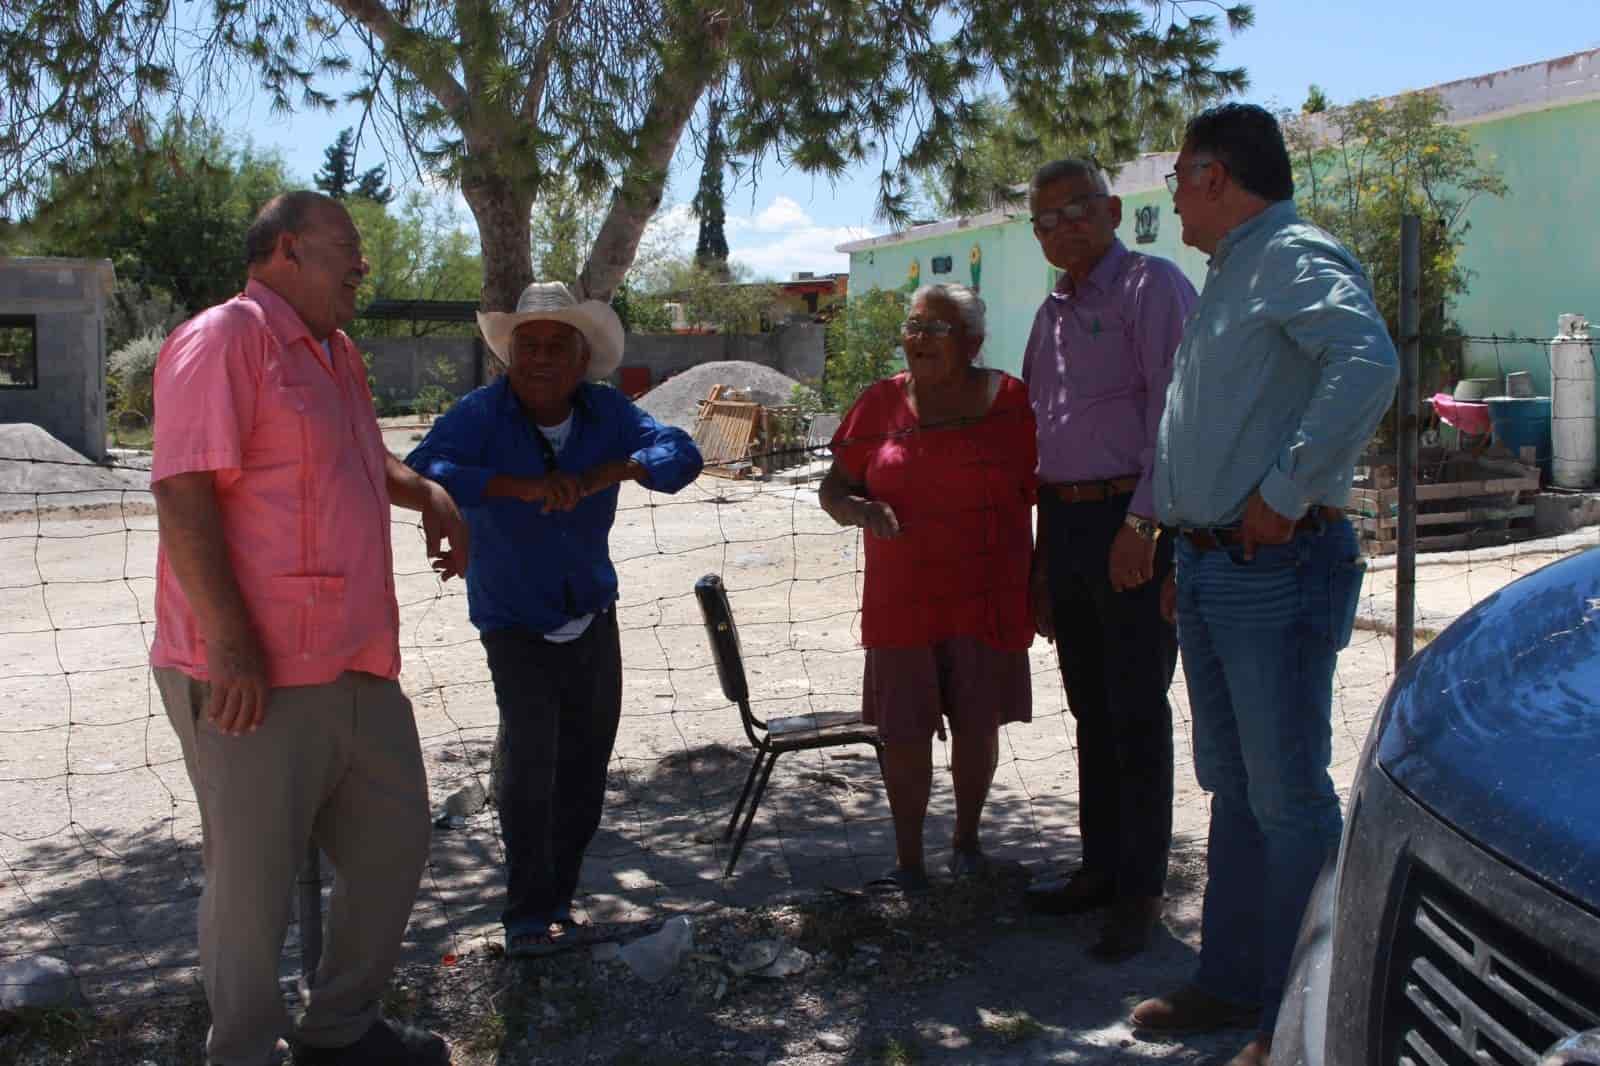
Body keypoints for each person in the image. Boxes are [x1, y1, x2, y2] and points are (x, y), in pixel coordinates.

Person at [149, 191, 468, 1066]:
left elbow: (362, 451)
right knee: (251, 890)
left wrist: (429, 493)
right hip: (254, 671)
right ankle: (244, 1052)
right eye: (346, 247)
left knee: (394, 847)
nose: (361, 264)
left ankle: (338, 1031)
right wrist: (232, 644)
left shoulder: (337, 354)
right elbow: (182, 490)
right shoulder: (222, 340)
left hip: (358, 659)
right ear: (286, 251)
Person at [1132, 104, 1398, 1066]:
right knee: (1236, 788)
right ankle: (1237, 988)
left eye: (1176, 177)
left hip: (1274, 566)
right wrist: (1184, 549)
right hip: (1218, 567)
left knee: (1285, 796)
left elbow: (1368, 362)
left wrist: (1285, 491)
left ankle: (1305, 1024)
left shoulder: (1289, 254)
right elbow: (1209, 422)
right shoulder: (1235, 270)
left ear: (1212, 174)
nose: (1170, 197)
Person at [405, 281, 702, 957]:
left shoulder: (606, 413)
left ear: (582, 357)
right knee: (530, 763)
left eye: (554, 346)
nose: (538, 358)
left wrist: (610, 473)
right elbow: (422, 467)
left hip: (593, 612)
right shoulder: (481, 413)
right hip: (514, 620)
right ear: (509, 356)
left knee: (585, 768)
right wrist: (517, 487)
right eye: (526, 345)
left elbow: (681, 453)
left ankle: (560, 901)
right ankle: (526, 917)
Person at [1018, 159, 1197, 962]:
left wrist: (1147, 525)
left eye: (1075, 211)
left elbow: (1179, 414)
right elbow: (1041, 440)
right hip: (1066, 527)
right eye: (1044, 219)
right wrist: (1040, 558)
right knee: (1091, 707)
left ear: (1114, 210)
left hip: (1133, 519)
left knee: (1136, 708)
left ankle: (1140, 891)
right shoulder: (1048, 315)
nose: (1061, 229)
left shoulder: (1150, 289)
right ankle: (1099, 867)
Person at [819, 283, 1037, 893]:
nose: (918, 339)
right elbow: (833, 490)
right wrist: (864, 513)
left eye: (935, 329)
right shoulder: (879, 402)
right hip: (902, 597)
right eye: (913, 326)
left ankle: (967, 845)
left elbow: (1043, 488)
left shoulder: (1011, 402)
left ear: (971, 342)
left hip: (987, 590)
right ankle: (908, 863)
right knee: (905, 730)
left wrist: (1041, 578)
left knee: (978, 723)